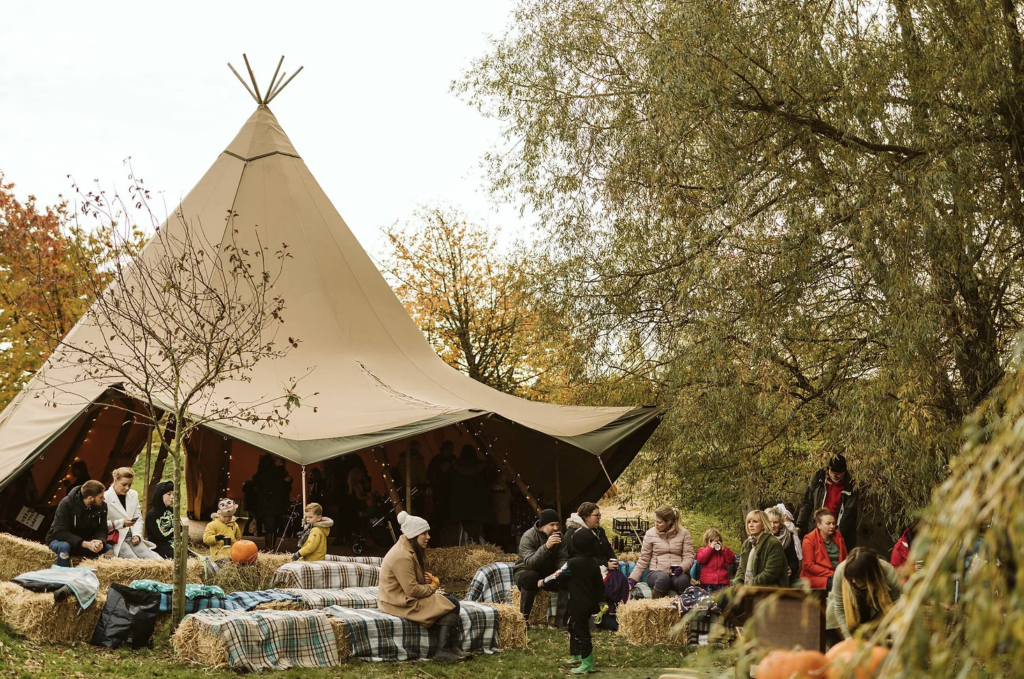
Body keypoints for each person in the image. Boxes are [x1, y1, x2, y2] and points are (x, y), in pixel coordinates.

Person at [378, 511, 469, 662]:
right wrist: (433, 586)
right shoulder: (402, 555)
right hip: (398, 602)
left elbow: (411, 581)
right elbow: (412, 590)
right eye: (424, 533)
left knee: (448, 600)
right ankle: (442, 650)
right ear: (414, 535)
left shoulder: (408, 549)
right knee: (452, 603)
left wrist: (425, 579)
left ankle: (452, 647)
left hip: (401, 597)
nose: (428, 537)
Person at [540, 528, 605, 674]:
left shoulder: (573, 563)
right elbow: (599, 584)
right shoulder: (594, 563)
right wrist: (601, 601)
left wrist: (542, 582)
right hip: (590, 602)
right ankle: (577, 654)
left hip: (578, 603)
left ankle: (587, 662)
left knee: (581, 631)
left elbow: (558, 575)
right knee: (572, 625)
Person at [565, 502, 629, 630]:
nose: (599, 518)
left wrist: (612, 560)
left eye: (600, 515)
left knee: (619, 578)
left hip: (605, 566)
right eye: (597, 515)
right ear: (587, 517)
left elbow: (608, 549)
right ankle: (601, 615)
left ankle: (614, 612)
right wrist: (605, 564)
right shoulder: (574, 534)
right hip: (588, 569)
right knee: (603, 582)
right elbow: (580, 557)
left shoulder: (600, 531)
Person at [831, 547, 901, 639]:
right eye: (851, 578)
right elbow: (840, 608)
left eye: (857, 578)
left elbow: (895, 606)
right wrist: (848, 637)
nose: (853, 581)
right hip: (852, 611)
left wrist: (897, 634)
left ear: (871, 575)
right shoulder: (841, 572)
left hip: (879, 611)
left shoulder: (888, 573)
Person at [514, 508, 570, 620]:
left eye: (557, 524)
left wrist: (562, 571)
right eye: (552, 525)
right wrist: (546, 547)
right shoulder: (528, 537)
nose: (556, 528)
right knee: (531, 576)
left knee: (568, 577)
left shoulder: (559, 536)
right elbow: (530, 564)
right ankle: (523, 619)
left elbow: (562, 558)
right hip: (525, 572)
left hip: (547, 572)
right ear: (543, 525)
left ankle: (561, 620)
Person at [628, 505, 695, 598]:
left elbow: (689, 556)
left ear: (669, 522)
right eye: (655, 521)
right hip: (656, 573)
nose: (656, 524)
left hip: (677, 574)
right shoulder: (650, 534)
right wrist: (632, 579)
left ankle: (686, 606)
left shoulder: (684, 533)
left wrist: (682, 568)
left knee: (683, 580)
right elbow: (644, 559)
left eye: (659, 522)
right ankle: (657, 606)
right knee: (663, 579)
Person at [797, 454, 860, 549]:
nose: (835, 475)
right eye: (832, 471)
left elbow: (849, 513)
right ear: (828, 469)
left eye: (838, 473)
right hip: (817, 528)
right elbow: (807, 502)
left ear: (844, 471)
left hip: (838, 530)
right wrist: (800, 525)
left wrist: (839, 534)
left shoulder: (851, 486)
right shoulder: (819, 478)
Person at [45, 480, 112, 567]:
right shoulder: (66, 503)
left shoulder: (102, 506)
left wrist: (99, 541)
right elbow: (59, 532)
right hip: (61, 540)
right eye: (101, 497)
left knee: (108, 549)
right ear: (90, 498)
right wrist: (85, 543)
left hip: (85, 541)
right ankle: (62, 576)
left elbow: (102, 529)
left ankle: (102, 577)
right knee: (64, 547)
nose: (103, 499)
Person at [105, 468, 161, 560]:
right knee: (134, 561)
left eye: (130, 485)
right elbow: (100, 525)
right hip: (115, 538)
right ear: (115, 481)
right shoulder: (105, 497)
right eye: (124, 484)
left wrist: (137, 534)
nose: (127, 488)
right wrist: (121, 523)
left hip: (132, 536)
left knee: (152, 559)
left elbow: (138, 518)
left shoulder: (133, 494)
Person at [733, 509, 790, 587]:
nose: (751, 525)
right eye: (749, 522)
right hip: (748, 588)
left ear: (763, 524)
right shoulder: (747, 543)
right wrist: (738, 585)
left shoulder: (773, 543)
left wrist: (748, 585)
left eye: (755, 522)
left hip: (770, 590)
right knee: (722, 596)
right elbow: (741, 569)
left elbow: (771, 573)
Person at [450, 444, 491, 543]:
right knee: (475, 528)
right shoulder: (481, 466)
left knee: (466, 528)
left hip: (462, 504)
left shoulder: (456, 468)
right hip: (477, 504)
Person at [800, 508, 848, 589]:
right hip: (817, 577)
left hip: (839, 573)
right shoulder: (809, 539)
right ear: (819, 525)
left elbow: (846, 557)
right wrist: (833, 574)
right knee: (839, 584)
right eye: (828, 523)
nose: (832, 526)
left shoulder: (838, 535)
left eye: (833, 523)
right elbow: (810, 565)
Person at [255, 455, 292, 551]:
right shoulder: (265, 466)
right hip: (267, 500)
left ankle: (271, 547)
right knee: (270, 525)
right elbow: (262, 480)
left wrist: (288, 481)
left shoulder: (281, 468)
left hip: (278, 501)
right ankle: (269, 547)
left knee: (274, 525)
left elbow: (285, 485)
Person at [203, 498, 242, 578]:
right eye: (224, 516)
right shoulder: (212, 525)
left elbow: (238, 538)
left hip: (233, 553)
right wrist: (216, 538)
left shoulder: (234, 525)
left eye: (230, 516)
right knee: (228, 568)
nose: (227, 518)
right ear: (219, 514)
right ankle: (224, 582)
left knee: (242, 567)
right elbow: (206, 539)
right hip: (219, 554)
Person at [765, 506, 801, 581]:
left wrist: (790, 569)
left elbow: (794, 561)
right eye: (769, 522)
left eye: (776, 522)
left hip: (784, 577)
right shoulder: (762, 537)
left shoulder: (788, 537)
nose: (772, 526)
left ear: (781, 523)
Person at [427, 439, 456, 531]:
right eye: (449, 449)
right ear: (444, 449)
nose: (450, 452)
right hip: (439, 490)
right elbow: (429, 473)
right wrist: (435, 483)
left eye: (452, 450)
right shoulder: (436, 460)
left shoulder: (454, 459)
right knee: (439, 511)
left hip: (451, 489)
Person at [145, 480, 177, 559]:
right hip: (158, 546)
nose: (172, 497)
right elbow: (160, 537)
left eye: (174, 494)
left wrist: (167, 530)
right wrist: (175, 530)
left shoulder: (172, 510)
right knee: (178, 556)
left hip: (173, 543)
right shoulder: (152, 515)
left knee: (192, 556)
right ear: (160, 495)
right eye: (169, 494)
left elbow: (181, 528)